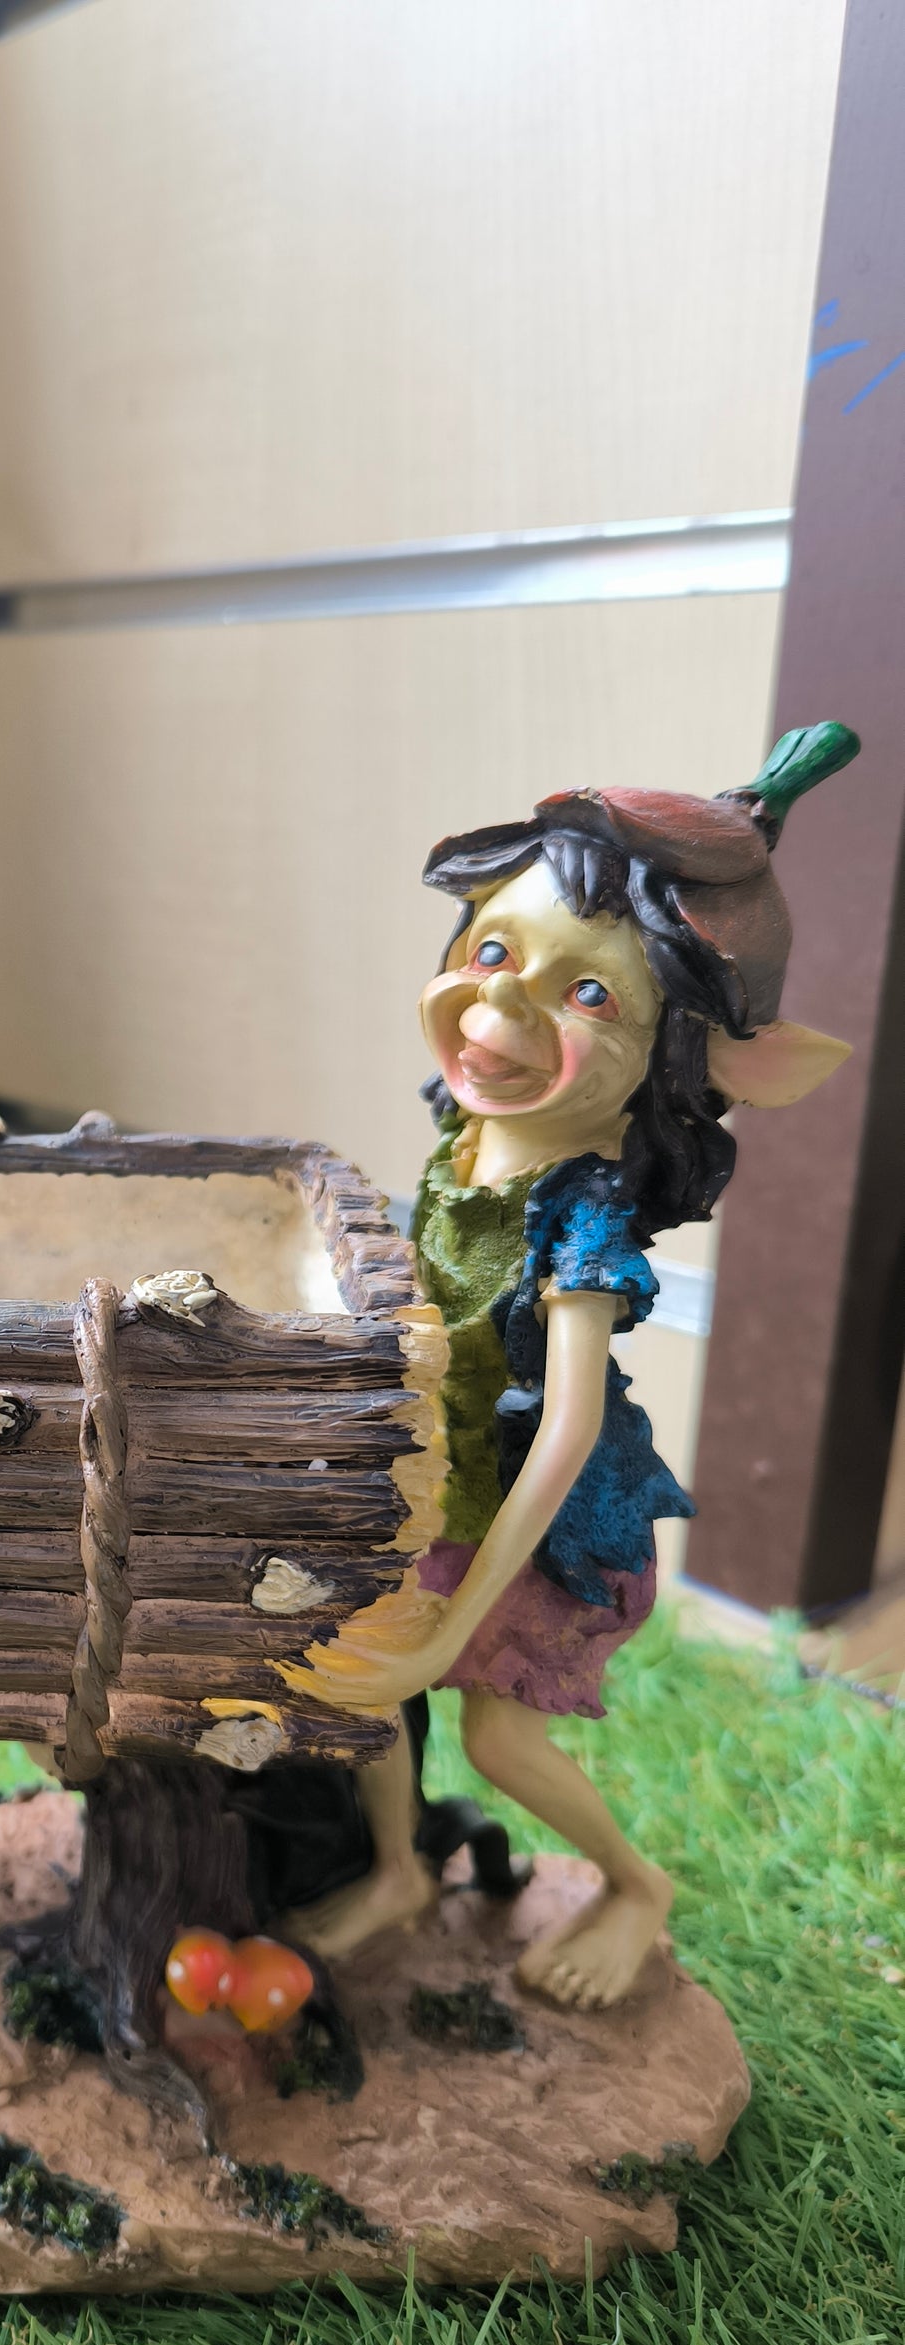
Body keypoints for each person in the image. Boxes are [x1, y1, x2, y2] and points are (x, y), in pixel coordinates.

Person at [287, 724, 858, 2009]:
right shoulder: (463, 1144)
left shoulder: (581, 1221)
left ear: (690, 1063)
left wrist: (453, 1628)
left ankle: (634, 1883)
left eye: (588, 996)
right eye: (491, 954)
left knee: (495, 1735)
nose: (494, 1014)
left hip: (539, 1532)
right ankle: (398, 1869)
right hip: (431, 1487)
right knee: (359, 1675)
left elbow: (564, 1431)